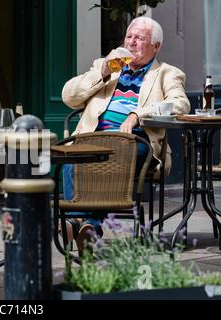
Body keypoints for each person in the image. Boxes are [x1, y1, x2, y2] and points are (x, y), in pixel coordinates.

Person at [61, 17, 190, 254]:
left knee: (115, 155)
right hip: (94, 138)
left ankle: (78, 223)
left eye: (140, 38)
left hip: (136, 141)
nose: (131, 43)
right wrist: (102, 71)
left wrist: (137, 115)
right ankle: (86, 225)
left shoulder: (166, 73)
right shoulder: (106, 66)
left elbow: (180, 104)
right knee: (73, 154)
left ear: (156, 46)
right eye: (129, 37)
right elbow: (69, 97)